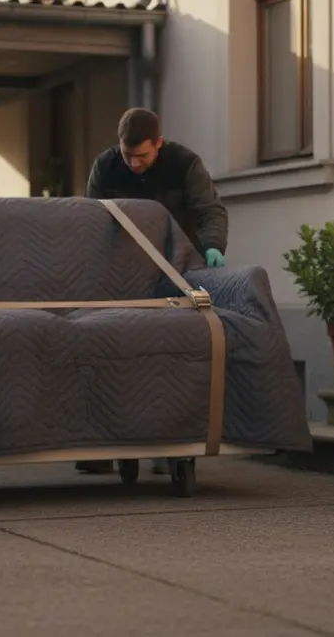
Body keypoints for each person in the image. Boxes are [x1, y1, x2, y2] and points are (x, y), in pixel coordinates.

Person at [77, 106, 229, 476]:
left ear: (158, 144)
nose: (134, 164)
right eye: (127, 155)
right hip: (121, 275)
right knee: (109, 353)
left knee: (169, 354)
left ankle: (169, 443)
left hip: (174, 272)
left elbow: (209, 211)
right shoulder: (106, 167)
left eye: (142, 156)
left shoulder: (185, 165)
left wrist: (213, 246)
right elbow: (89, 219)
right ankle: (101, 446)